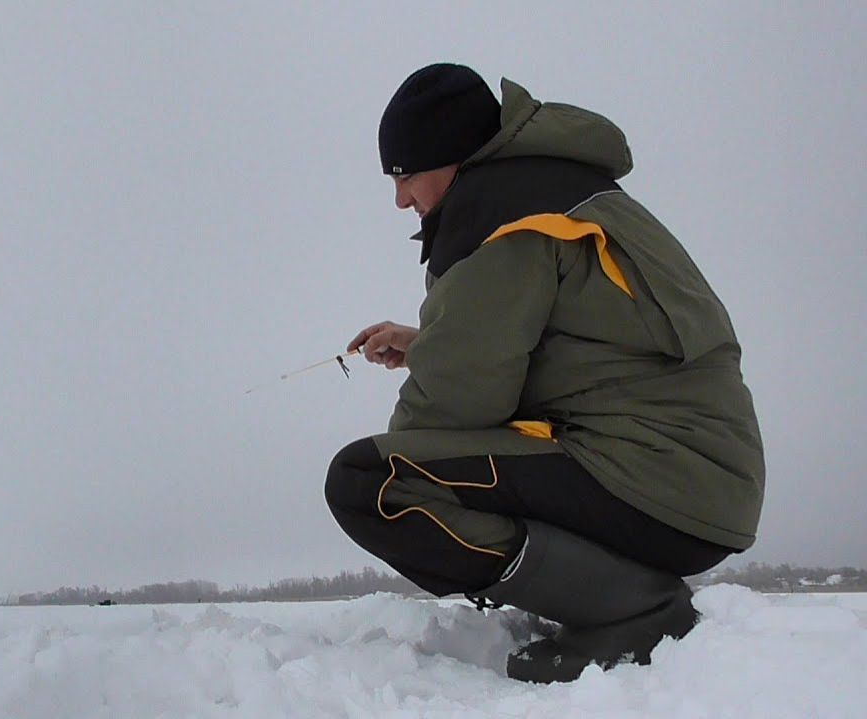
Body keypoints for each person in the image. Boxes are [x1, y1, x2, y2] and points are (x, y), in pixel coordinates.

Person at [324, 63, 764, 684]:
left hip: (654, 481)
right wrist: (428, 346)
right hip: (697, 483)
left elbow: (456, 404)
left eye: (406, 175)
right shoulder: (559, 193)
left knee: (372, 481)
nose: (401, 199)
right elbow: (580, 350)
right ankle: (609, 591)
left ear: (451, 158)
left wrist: (416, 446)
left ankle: (631, 609)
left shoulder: (500, 218)